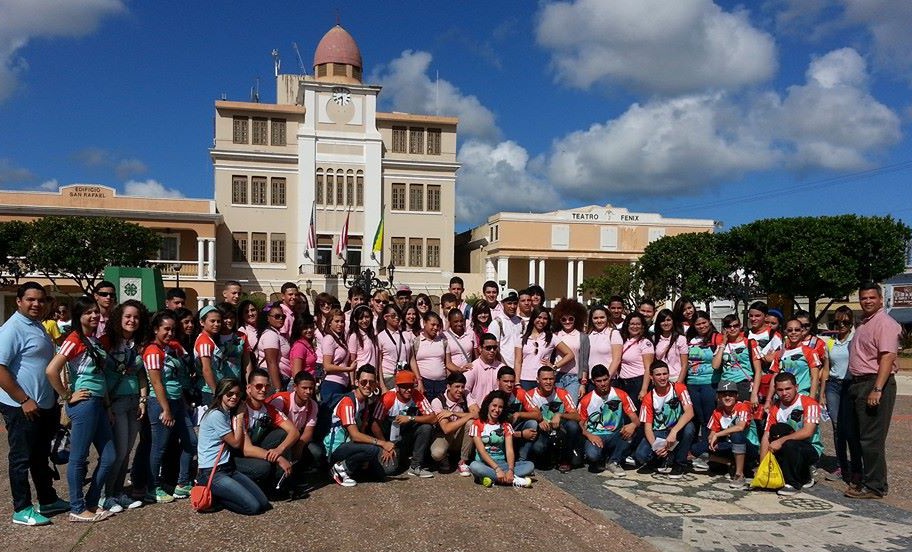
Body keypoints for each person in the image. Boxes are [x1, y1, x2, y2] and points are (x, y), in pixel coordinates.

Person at [0, 282, 70, 526]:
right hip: (22, 406)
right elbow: (0, 368)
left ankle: (47, 499)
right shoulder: (12, 329)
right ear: (19, 301)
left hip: (42, 404)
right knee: (21, 457)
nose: (36, 304)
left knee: (40, 455)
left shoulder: (37, 325)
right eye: (30, 299)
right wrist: (23, 399)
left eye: (41, 300)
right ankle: (22, 508)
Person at [46, 295, 117, 522]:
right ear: (79, 316)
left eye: (95, 311)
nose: (94, 315)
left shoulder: (93, 340)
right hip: (84, 403)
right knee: (79, 457)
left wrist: (107, 405)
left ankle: (92, 502)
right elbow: (51, 370)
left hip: (99, 403)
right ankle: (77, 508)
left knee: (109, 456)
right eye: (88, 312)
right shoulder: (74, 339)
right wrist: (67, 395)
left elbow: (101, 376)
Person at [845, 282, 901, 499]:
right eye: (863, 298)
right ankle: (866, 479)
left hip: (874, 383)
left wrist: (877, 389)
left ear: (880, 299)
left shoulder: (885, 323)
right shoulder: (864, 323)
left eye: (871, 297)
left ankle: (875, 486)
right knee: (860, 435)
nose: (867, 301)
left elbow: (887, 357)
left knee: (871, 438)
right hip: (858, 383)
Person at [143, 310, 198, 504]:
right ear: (155, 329)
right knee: (159, 448)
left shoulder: (169, 349)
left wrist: (182, 402)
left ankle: (182, 482)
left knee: (191, 442)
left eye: (173, 329)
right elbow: (156, 382)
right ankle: (152, 487)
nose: (170, 333)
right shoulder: (152, 351)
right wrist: (165, 409)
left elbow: (175, 378)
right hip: (160, 404)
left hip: (177, 402)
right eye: (166, 329)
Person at [101, 300, 148, 513]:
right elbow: (100, 375)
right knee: (118, 452)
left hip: (134, 402)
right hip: (116, 403)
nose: (132, 320)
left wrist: (143, 400)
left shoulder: (138, 344)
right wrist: (107, 406)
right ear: (118, 318)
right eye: (128, 316)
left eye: (136, 317)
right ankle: (106, 495)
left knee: (127, 451)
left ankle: (119, 492)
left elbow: (141, 374)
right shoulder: (107, 342)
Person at [196, 378, 269, 515]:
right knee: (253, 507)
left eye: (237, 394)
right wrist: (240, 417)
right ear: (221, 394)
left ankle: (225, 494)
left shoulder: (226, 412)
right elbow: (235, 443)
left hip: (228, 467)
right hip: (213, 472)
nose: (234, 397)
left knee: (264, 503)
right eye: (229, 394)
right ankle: (218, 497)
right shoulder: (216, 415)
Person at [325, 365, 396, 487]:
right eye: (364, 382)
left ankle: (352, 466)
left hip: (349, 444)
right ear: (357, 382)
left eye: (371, 382)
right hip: (336, 447)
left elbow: (361, 431)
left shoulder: (365, 402)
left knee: (382, 473)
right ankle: (339, 469)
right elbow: (355, 435)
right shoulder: (348, 402)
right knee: (372, 449)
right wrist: (383, 443)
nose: (368, 385)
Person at [234, 369, 298, 492]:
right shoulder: (241, 410)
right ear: (248, 388)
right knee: (263, 467)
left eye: (267, 386)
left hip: (256, 448)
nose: (263, 390)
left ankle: (281, 482)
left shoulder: (269, 409)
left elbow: (294, 432)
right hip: (237, 455)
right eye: (258, 386)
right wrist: (278, 458)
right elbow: (246, 449)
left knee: (282, 434)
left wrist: (280, 449)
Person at [761, 372, 823, 496]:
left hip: (809, 448)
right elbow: (766, 436)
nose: (784, 393)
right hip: (784, 448)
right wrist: (763, 468)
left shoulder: (809, 403)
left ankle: (792, 483)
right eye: (780, 390)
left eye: (788, 389)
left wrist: (780, 441)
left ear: (796, 387)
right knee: (776, 430)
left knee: (789, 443)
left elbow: (808, 432)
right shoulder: (775, 408)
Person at [372, 370, 441, 477]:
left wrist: (410, 418)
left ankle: (415, 465)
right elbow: (374, 425)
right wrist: (385, 445)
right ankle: (401, 458)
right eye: (404, 387)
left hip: (408, 436)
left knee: (426, 428)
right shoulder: (387, 398)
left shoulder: (416, 395)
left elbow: (433, 418)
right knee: (389, 470)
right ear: (397, 387)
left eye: (411, 386)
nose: (409, 390)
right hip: (390, 440)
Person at [820, 306, 860, 484]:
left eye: (846, 322)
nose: (842, 325)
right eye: (837, 322)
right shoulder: (830, 342)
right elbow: (826, 369)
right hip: (833, 385)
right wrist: (822, 393)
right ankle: (841, 465)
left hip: (850, 384)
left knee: (852, 427)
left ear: (851, 322)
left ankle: (856, 465)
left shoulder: (855, 340)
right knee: (837, 427)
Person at [635, 361, 695, 479]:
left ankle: (679, 464)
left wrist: (674, 431)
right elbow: (648, 428)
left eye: (665, 374)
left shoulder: (679, 388)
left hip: (677, 430)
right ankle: (664, 458)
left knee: (689, 428)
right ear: (651, 377)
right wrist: (656, 446)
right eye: (658, 375)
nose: (662, 378)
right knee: (641, 456)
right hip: (659, 431)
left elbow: (689, 412)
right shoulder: (648, 398)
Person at [578, 364, 638, 476]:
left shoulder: (621, 394)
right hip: (595, 434)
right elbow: (579, 424)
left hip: (615, 433)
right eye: (599, 381)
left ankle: (614, 461)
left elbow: (635, 419)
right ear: (593, 382)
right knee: (592, 455)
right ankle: (601, 457)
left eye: (605, 380)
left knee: (631, 432)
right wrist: (589, 435)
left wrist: (633, 425)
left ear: (609, 378)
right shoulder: (586, 399)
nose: (603, 384)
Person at [521, 365, 581, 472]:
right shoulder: (530, 395)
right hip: (541, 432)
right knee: (539, 450)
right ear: (538, 380)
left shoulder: (562, 393)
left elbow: (577, 416)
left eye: (551, 379)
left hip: (559, 431)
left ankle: (565, 459)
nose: (548, 382)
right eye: (545, 379)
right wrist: (538, 420)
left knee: (573, 425)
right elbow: (524, 419)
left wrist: (560, 415)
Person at [468, 390, 534, 488]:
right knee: (474, 466)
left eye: (500, 407)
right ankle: (513, 480)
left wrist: (510, 470)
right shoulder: (477, 424)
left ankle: (494, 478)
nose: (497, 410)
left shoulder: (506, 425)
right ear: (488, 405)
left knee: (530, 465)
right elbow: (481, 451)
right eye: (494, 406)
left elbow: (509, 450)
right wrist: (497, 469)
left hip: (502, 464)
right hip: (484, 463)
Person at [685, 311, 723, 470]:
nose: (701, 326)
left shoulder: (716, 338)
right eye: (698, 324)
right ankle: (695, 451)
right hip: (692, 383)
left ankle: (707, 453)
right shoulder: (689, 339)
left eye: (704, 322)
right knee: (697, 419)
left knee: (709, 420)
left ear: (709, 321)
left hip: (710, 383)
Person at [268, 371, 324, 471]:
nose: (308, 392)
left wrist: (299, 446)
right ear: (295, 387)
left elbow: (308, 432)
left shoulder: (313, 405)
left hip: (296, 438)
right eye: (304, 388)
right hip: (279, 437)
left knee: (317, 452)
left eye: (311, 388)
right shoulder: (281, 400)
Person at [707, 381, 758, 489]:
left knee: (736, 435)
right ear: (718, 397)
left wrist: (717, 434)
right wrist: (712, 438)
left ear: (737, 396)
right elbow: (712, 431)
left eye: (731, 394)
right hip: (730, 445)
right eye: (723, 395)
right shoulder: (717, 411)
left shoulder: (743, 407)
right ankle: (731, 463)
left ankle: (739, 474)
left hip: (749, 446)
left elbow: (740, 427)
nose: (727, 397)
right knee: (700, 447)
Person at [515, 308, 574, 391]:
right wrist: (517, 382)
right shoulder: (521, 338)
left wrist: (554, 366)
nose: (542, 321)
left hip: (544, 380)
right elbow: (517, 362)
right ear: (533, 318)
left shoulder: (552, 337)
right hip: (525, 380)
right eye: (539, 317)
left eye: (545, 318)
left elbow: (570, 354)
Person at [430, 372, 476, 475]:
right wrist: (469, 415)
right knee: (437, 454)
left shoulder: (466, 394)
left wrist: (454, 413)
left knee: (471, 423)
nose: (460, 390)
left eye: (462, 387)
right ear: (448, 386)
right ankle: (444, 457)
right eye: (457, 386)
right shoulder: (438, 401)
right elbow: (446, 429)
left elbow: (477, 414)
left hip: (459, 434)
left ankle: (463, 461)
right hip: (443, 436)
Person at [711, 314, 761, 404]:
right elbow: (715, 366)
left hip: (743, 384)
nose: (732, 329)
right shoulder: (722, 344)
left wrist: (754, 394)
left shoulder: (750, 343)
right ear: (724, 328)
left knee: (743, 411)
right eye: (729, 326)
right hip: (726, 384)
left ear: (740, 325)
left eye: (735, 326)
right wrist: (724, 343)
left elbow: (758, 371)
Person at [769, 318, 821, 401]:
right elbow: (774, 378)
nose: (793, 332)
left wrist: (811, 400)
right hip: (782, 399)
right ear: (786, 332)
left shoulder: (810, 352)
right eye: (790, 330)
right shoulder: (780, 353)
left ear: (802, 331)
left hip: (803, 397)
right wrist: (768, 400)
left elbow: (815, 378)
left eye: (797, 330)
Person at [413, 311, 458, 401]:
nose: (435, 328)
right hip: (424, 383)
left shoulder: (443, 342)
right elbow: (412, 362)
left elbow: (448, 363)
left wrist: (460, 369)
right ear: (424, 323)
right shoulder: (416, 342)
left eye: (438, 325)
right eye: (433, 325)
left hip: (441, 384)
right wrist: (419, 381)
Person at [552, 298, 589, 399]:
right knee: (558, 406)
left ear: (576, 319)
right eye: (564, 319)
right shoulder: (555, 335)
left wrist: (583, 384)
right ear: (559, 320)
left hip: (574, 379)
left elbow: (585, 362)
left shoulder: (582, 337)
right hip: (557, 377)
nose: (567, 321)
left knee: (572, 406)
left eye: (571, 319)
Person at [617, 312, 655, 407]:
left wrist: (644, 389)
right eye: (632, 324)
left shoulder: (645, 343)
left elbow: (648, 368)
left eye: (638, 324)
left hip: (638, 383)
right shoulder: (623, 341)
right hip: (623, 383)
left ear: (642, 326)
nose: (635, 326)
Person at [376, 304, 417, 393]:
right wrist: (382, 386)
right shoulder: (380, 337)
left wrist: (418, 379)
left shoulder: (406, 335)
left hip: (404, 376)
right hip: (389, 376)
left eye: (398, 315)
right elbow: (379, 363)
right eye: (393, 315)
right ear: (385, 317)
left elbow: (412, 359)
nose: (397, 318)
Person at [321, 308, 355, 408]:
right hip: (332, 383)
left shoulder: (340, 339)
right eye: (336, 321)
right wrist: (348, 369)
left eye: (342, 321)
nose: (340, 324)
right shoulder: (329, 339)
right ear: (329, 323)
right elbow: (327, 366)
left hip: (342, 383)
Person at [585, 306, 622, 389]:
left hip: (610, 381)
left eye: (602, 317)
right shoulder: (588, 335)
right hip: (592, 382)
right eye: (595, 318)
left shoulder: (614, 333)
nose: (599, 321)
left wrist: (606, 380)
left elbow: (617, 359)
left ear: (607, 318)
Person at [257, 303, 292, 391]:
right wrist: (277, 388)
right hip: (274, 377)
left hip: (281, 376)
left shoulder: (276, 334)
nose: (281, 319)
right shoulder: (270, 335)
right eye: (277, 316)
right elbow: (271, 362)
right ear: (268, 318)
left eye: (283, 317)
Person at [464, 333, 504, 409]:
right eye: (488, 348)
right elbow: (465, 389)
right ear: (480, 349)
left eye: (494, 348)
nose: (492, 350)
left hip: (497, 411)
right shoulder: (472, 368)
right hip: (478, 411)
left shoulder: (501, 367)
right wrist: (472, 405)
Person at [194, 305, 224, 404]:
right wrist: (215, 392)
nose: (216, 324)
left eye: (218, 321)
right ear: (202, 322)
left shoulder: (209, 340)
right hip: (207, 390)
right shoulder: (204, 342)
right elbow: (206, 369)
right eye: (212, 321)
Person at [487, 289, 521, 370]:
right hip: (502, 368)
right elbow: (494, 348)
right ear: (502, 304)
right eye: (509, 303)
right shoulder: (497, 323)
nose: (512, 306)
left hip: (520, 368)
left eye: (515, 303)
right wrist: (504, 366)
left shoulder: (521, 322)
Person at [653, 309, 688, 385]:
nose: (666, 323)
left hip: (676, 378)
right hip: (660, 379)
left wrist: (679, 383)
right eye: (662, 321)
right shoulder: (654, 339)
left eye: (668, 320)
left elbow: (685, 364)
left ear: (673, 321)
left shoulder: (680, 339)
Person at [347, 305, 378, 371]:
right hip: (361, 373)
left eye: (367, 317)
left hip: (373, 373)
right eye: (361, 318)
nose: (364, 320)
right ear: (356, 319)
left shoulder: (373, 335)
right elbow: (352, 361)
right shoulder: (354, 336)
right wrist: (352, 378)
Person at [289, 313, 318, 380]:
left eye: (311, 327)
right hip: (302, 383)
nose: (309, 330)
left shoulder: (307, 344)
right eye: (305, 328)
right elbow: (297, 374)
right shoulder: (299, 347)